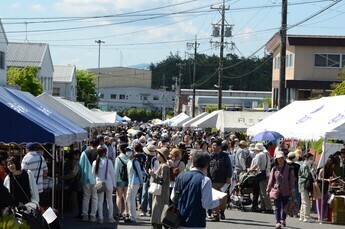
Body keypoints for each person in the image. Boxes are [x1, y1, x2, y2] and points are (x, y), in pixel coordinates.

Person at [171, 150, 221, 228]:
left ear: (193, 162)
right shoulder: (205, 180)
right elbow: (206, 204)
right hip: (196, 222)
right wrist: (218, 201)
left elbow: (173, 198)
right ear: (206, 165)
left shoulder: (180, 176)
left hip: (179, 220)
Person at [266, 151, 295, 229]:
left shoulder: (289, 169)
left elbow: (291, 180)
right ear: (276, 159)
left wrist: (292, 189)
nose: (280, 160)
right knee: (277, 207)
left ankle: (283, 219)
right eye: (278, 158)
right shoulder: (274, 168)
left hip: (286, 190)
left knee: (285, 206)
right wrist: (268, 189)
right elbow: (271, 180)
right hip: (276, 190)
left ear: (284, 158)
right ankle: (278, 221)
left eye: (281, 158)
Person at [208, 138, 231, 221]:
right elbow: (207, 168)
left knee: (223, 199)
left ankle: (222, 211)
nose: (213, 147)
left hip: (223, 181)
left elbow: (229, 167)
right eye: (212, 145)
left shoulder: (225, 156)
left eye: (215, 145)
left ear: (220, 146)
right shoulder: (210, 156)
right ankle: (216, 215)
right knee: (214, 198)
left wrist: (228, 177)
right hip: (213, 180)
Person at [247, 143, 272, 213]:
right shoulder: (266, 155)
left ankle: (269, 208)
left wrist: (250, 169)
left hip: (261, 174)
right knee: (263, 192)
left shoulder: (259, 155)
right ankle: (263, 207)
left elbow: (256, 165)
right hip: (266, 174)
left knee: (264, 192)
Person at [92, 147, 116, 224]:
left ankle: (100, 218)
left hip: (99, 183)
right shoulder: (109, 162)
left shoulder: (95, 162)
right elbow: (112, 174)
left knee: (100, 201)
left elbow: (93, 175)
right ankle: (110, 218)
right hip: (108, 182)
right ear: (104, 153)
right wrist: (114, 184)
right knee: (109, 201)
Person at [149, 147, 170, 229]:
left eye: (158, 154)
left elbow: (162, 179)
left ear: (162, 155)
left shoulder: (164, 166)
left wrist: (152, 174)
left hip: (161, 192)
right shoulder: (162, 165)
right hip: (159, 191)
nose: (157, 155)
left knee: (157, 211)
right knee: (156, 210)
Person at [79, 139, 99, 222]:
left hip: (85, 178)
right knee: (95, 198)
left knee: (86, 197)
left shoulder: (84, 153)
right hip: (96, 179)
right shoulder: (98, 153)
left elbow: (80, 166)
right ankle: (93, 215)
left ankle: (85, 215)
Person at [316, 155, 338, 221]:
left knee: (326, 202)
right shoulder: (322, 169)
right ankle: (320, 216)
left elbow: (335, 177)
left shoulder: (331, 170)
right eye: (334, 164)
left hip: (325, 187)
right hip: (320, 186)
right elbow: (319, 178)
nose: (334, 166)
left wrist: (342, 182)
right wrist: (327, 180)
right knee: (319, 202)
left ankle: (323, 216)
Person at [125, 145, 144, 223]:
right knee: (128, 198)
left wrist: (141, 182)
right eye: (127, 151)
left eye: (130, 151)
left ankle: (133, 217)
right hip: (130, 182)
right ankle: (131, 215)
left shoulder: (135, 161)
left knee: (131, 199)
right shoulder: (129, 161)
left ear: (133, 152)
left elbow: (139, 172)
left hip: (135, 182)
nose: (128, 152)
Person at [140, 143, 158, 217]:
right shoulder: (146, 157)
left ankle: (150, 210)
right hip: (146, 178)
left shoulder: (154, 159)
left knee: (149, 195)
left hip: (151, 178)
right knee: (145, 194)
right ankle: (144, 210)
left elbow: (155, 169)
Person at [114, 143, 130, 220]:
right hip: (128, 179)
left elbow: (116, 171)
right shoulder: (129, 158)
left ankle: (119, 212)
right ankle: (127, 213)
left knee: (118, 196)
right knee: (126, 197)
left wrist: (114, 182)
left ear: (120, 149)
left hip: (119, 180)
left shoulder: (118, 158)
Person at [298, 153, 315, 223]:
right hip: (304, 185)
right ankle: (306, 217)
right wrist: (312, 170)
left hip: (302, 185)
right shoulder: (305, 166)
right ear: (307, 158)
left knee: (303, 201)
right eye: (311, 159)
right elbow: (307, 175)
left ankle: (302, 216)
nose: (312, 160)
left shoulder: (304, 165)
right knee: (306, 202)